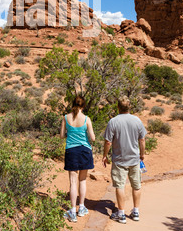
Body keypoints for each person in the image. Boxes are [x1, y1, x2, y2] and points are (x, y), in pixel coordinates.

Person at [102, 96, 147, 224]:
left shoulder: (113, 121)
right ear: (129, 107)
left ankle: (121, 214)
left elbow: (108, 141)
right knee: (136, 186)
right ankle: (136, 211)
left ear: (118, 107)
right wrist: (142, 154)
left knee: (120, 186)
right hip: (134, 159)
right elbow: (142, 139)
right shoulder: (137, 120)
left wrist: (105, 155)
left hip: (119, 160)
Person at [60, 95, 95, 223]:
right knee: (83, 180)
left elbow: (61, 135)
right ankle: (82, 208)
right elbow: (93, 138)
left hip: (71, 150)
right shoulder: (86, 119)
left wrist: (71, 134)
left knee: (73, 182)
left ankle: (73, 211)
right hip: (85, 150)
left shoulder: (65, 118)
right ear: (83, 105)